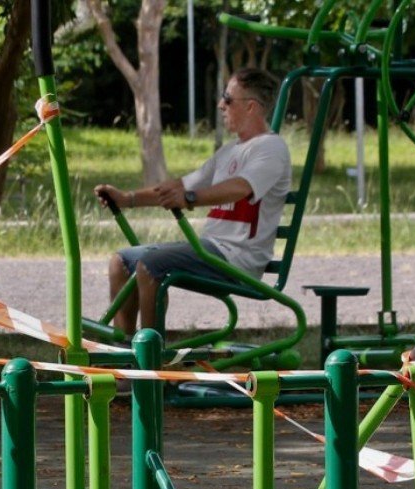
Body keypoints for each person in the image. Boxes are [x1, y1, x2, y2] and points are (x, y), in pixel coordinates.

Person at [94, 68, 291, 337]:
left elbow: (241, 188)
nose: (221, 105)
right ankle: (125, 353)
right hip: (210, 250)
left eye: (228, 98)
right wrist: (127, 198)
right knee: (121, 261)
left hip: (236, 258)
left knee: (151, 265)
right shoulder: (229, 151)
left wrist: (189, 199)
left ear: (251, 107)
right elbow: (182, 185)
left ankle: (151, 360)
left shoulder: (271, 148)